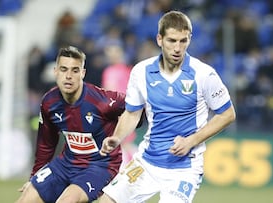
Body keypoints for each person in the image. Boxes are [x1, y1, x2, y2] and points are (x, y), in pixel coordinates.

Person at [99, 10, 236, 203]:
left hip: (185, 169)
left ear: (189, 39)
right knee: (106, 200)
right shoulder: (141, 72)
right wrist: (116, 137)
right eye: (172, 40)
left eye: (183, 41)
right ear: (159, 39)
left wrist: (191, 141)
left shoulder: (204, 74)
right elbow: (132, 114)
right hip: (147, 162)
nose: (178, 48)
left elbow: (227, 115)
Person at [15, 46, 126, 203]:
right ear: (55, 71)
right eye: (63, 69)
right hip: (66, 163)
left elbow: (135, 107)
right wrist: (34, 177)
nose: (68, 76)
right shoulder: (49, 102)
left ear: (83, 73)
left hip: (100, 166)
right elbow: (46, 144)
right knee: (26, 199)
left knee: (67, 200)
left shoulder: (102, 101)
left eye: (75, 70)